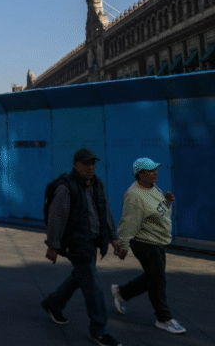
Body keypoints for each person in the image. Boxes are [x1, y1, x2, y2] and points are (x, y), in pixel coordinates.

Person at [41, 148, 124, 346]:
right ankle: (99, 331)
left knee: (80, 276)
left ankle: (53, 303)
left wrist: (114, 238)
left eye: (93, 164)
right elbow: (56, 217)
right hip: (76, 244)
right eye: (86, 164)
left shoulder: (97, 184)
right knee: (93, 287)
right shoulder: (66, 187)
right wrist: (52, 245)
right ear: (76, 165)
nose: (90, 168)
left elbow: (106, 211)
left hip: (93, 241)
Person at [111, 158, 186, 334]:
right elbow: (129, 222)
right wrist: (123, 245)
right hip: (144, 242)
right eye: (149, 171)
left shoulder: (153, 188)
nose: (155, 173)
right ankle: (163, 318)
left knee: (153, 277)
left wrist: (167, 203)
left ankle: (122, 293)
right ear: (139, 174)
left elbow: (157, 212)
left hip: (158, 240)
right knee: (158, 280)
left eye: (155, 170)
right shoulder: (135, 195)